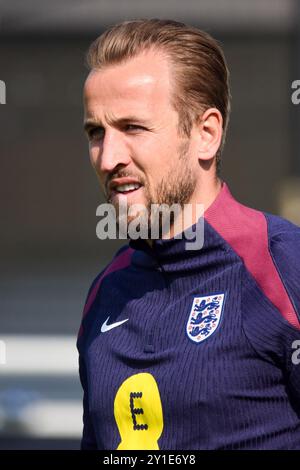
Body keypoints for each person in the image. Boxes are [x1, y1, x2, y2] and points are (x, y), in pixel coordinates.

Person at [77, 18, 300, 450]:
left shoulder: (282, 267)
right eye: (95, 133)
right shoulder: (106, 291)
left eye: (133, 128)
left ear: (206, 134)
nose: (108, 158)